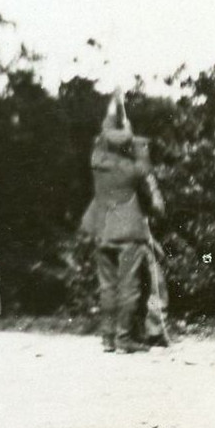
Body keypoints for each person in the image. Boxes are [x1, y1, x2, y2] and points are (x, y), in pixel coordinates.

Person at [79, 93, 163, 354]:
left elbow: (105, 133)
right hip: (128, 232)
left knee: (107, 287)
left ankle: (107, 338)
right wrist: (132, 136)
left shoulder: (97, 162)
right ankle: (124, 339)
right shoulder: (133, 168)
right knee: (129, 287)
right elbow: (146, 168)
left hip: (102, 231)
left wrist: (113, 110)